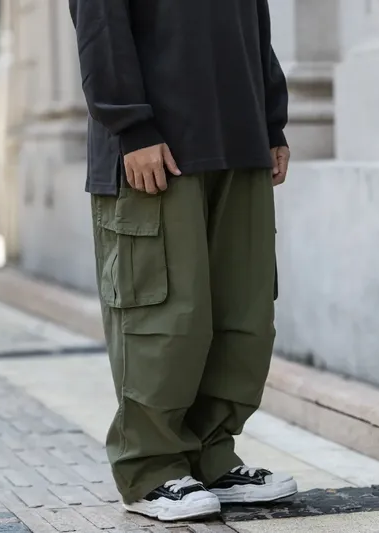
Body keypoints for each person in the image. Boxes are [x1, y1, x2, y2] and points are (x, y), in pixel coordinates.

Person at [69, 0, 297, 522]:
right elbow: (100, 25)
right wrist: (131, 126)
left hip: (239, 139)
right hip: (155, 149)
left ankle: (211, 456)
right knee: (165, 318)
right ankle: (149, 469)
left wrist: (271, 122)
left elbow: (254, 22)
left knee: (243, 314)